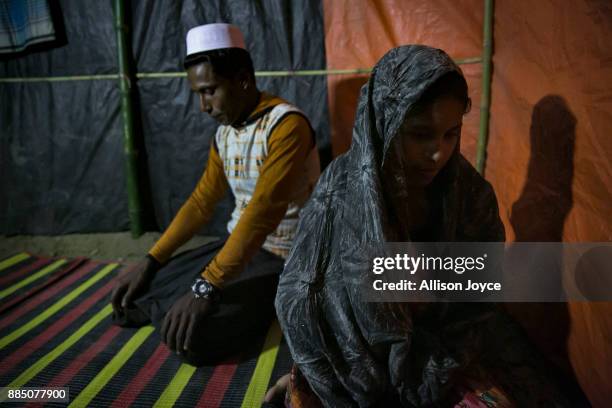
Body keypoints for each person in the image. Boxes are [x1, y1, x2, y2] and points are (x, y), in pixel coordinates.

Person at [271, 46, 572, 406]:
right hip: (353, 359)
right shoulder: (340, 189)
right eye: (420, 134)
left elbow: (479, 295)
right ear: (384, 121)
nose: (438, 153)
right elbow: (301, 294)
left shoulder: (470, 194)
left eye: (450, 134)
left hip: (439, 349)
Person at [110, 23, 320, 366]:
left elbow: (263, 211)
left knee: (195, 339)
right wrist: (152, 261)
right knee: (136, 295)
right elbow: (201, 202)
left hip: (285, 255)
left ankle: (272, 300)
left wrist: (206, 286)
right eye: (198, 94)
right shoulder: (224, 135)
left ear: (242, 80)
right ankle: (179, 307)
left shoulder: (287, 126)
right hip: (240, 245)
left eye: (209, 91)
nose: (203, 106)